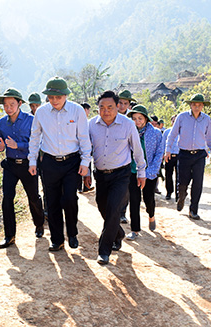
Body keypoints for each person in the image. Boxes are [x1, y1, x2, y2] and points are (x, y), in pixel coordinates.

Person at [28, 77, 92, 251]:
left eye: (58, 97)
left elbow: (84, 138)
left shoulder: (77, 111)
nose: (54, 101)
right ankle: (57, 239)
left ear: (65, 95)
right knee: (52, 201)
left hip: (71, 162)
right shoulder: (41, 113)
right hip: (49, 162)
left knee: (70, 198)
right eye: (51, 97)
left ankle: (72, 233)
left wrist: (85, 162)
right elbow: (34, 137)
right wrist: (32, 161)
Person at [85, 90, 146, 265]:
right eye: (102, 107)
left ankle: (104, 250)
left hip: (121, 174)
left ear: (117, 107)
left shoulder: (127, 124)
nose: (106, 111)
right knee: (103, 208)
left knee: (113, 210)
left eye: (110, 107)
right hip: (101, 175)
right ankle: (118, 233)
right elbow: (87, 150)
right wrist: (87, 173)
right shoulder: (91, 125)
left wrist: (141, 172)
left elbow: (137, 150)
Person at [0, 88, 45, 249]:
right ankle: (9, 236)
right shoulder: (1, 123)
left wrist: (19, 145)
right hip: (10, 165)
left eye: (11, 104)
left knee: (33, 197)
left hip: (28, 164)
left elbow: (37, 143)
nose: (8, 108)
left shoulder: (31, 120)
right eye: (5, 105)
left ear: (20, 104)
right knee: (7, 198)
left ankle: (39, 223)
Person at [165, 93, 211, 220]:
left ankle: (193, 209)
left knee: (198, 183)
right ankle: (181, 196)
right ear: (191, 105)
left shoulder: (206, 119)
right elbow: (172, 134)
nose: (196, 107)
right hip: (184, 154)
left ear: (203, 106)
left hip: (199, 154)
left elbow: (210, 138)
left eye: (199, 105)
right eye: (194, 104)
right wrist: (167, 150)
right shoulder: (182, 117)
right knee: (182, 182)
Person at [125, 105, 163, 241]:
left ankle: (151, 215)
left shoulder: (156, 133)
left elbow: (159, 153)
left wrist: (152, 171)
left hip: (149, 171)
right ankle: (135, 229)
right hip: (133, 171)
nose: (137, 121)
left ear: (146, 119)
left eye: (140, 118)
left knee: (148, 198)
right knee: (134, 200)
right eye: (134, 119)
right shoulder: (129, 131)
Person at [117, 90, 135, 224]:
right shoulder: (108, 117)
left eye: (125, 103)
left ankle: (122, 212)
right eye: (120, 103)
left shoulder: (130, 122)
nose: (122, 106)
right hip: (110, 160)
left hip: (125, 160)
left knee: (125, 190)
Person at [78, 102, 95, 194]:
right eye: (88, 110)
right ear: (85, 110)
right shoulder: (85, 122)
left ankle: (85, 186)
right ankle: (83, 186)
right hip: (83, 149)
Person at [162, 115, 179, 201]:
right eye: (173, 121)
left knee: (179, 176)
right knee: (168, 175)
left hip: (179, 156)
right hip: (169, 156)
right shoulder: (167, 132)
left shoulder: (183, 132)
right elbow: (163, 144)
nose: (174, 123)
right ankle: (169, 192)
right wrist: (163, 155)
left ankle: (178, 194)